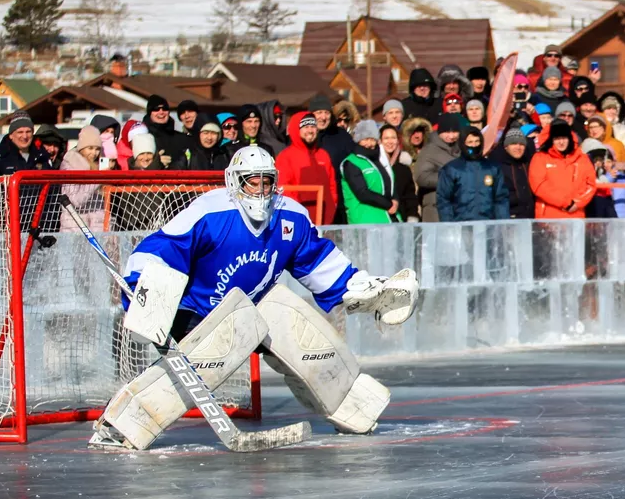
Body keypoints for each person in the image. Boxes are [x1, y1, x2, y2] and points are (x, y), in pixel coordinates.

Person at [88, 146, 418, 451]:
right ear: (235, 183)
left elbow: (321, 263)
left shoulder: (291, 216)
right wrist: (141, 289)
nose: (260, 191)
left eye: (266, 182)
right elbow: (161, 249)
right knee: (234, 330)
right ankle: (125, 424)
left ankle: (352, 406)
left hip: (254, 306)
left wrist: (365, 289)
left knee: (289, 317)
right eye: (252, 182)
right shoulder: (210, 212)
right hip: (194, 312)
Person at [275, 112, 338, 225]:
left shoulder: (323, 155)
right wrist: (299, 214)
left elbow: (332, 185)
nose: (310, 130)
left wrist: (332, 206)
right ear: (296, 129)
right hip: (299, 221)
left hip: (325, 222)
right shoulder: (285, 157)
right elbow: (283, 189)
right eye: (305, 127)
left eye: (313, 126)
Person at [436, 126, 509, 222]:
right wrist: (449, 226)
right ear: (463, 144)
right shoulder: (451, 169)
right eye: (470, 142)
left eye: (477, 141)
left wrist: (503, 225)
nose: (474, 145)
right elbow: (444, 200)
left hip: (488, 226)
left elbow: (501, 199)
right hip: (461, 226)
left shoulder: (492, 168)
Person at [528, 120, 595, 219]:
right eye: (557, 138)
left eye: (564, 138)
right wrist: (565, 202)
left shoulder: (582, 158)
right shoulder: (540, 158)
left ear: (569, 138)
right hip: (548, 217)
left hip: (575, 215)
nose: (561, 142)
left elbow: (590, 184)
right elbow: (538, 185)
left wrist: (577, 202)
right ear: (552, 140)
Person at [340, 120, 399, 223]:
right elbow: (362, 193)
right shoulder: (351, 162)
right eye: (365, 139)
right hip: (364, 219)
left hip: (386, 218)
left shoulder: (380, 159)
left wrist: (395, 200)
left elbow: (391, 183)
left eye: (373, 139)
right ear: (358, 140)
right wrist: (388, 204)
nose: (369, 144)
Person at [414, 113, 463, 222]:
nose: (451, 136)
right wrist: (449, 179)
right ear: (440, 132)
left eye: (454, 132)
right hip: (435, 206)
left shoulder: (460, 149)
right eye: (447, 132)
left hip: (457, 206)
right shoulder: (429, 150)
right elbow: (422, 177)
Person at [59, 125, 105, 232]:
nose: (94, 153)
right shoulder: (70, 165)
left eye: (97, 149)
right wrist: (97, 179)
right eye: (90, 148)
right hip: (74, 230)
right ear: (82, 147)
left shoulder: (97, 166)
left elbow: (101, 206)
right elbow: (75, 200)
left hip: (95, 230)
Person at [377, 124, 420, 222]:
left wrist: (412, 218)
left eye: (393, 138)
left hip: (401, 220)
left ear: (398, 141)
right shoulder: (374, 167)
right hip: (380, 219)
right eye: (386, 138)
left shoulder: (403, 169)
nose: (390, 142)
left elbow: (410, 197)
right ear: (380, 141)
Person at [491, 128, 536, 219]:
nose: (518, 147)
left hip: (530, 217)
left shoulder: (530, 163)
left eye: (521, 144)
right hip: (509, 217)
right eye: (513, 144)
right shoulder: (497, 166)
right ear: (506, 146)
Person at [142, 95, 188, 167]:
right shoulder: (143, 138)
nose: (161, 112)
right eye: (156, 109)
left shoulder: (181, 138)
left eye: (165, 108)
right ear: (149, 113)